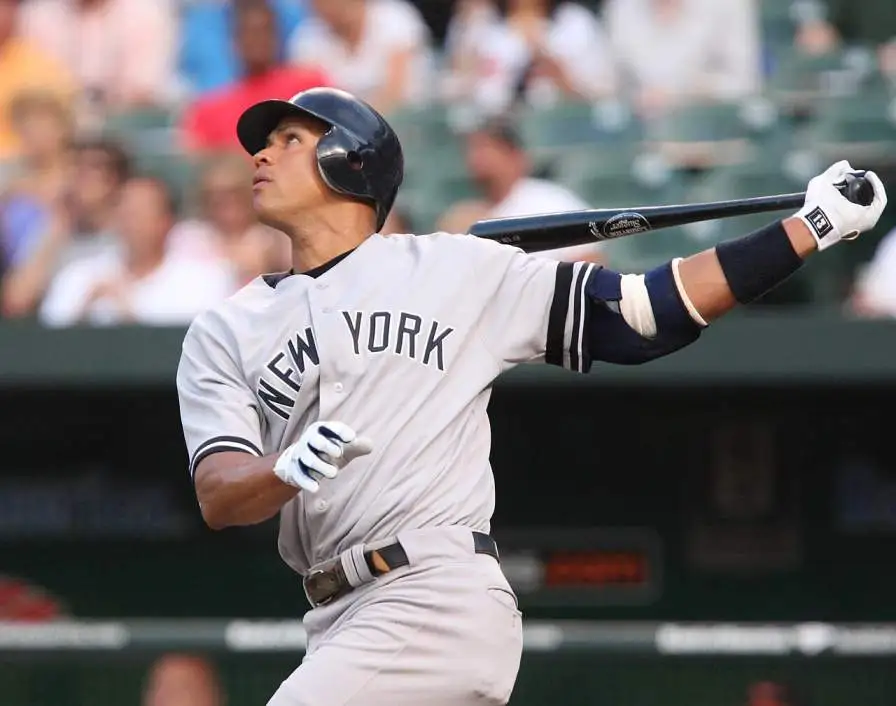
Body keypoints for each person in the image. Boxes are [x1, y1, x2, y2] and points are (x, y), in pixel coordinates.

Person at [174, 86, 886, 706]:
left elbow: (646, 313)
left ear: (347, 161)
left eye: (289, 140)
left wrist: (808, 228)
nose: (261, 156)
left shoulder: (454, 269)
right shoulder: (225, 329)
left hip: (432, 595)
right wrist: (282, 468)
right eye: (263, 144)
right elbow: (217, 491)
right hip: (334, 617)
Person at [39, 176, 236, 327]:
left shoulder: (205, 280)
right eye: (124, 211)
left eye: (139, 213)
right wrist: (83, 312)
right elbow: (48, 341)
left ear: (165, 221)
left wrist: (130, 315)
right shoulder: (79, 275)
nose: (129, 221)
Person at [438, 115, 605, 263]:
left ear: (515, 155)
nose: (476, 158)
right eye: (472, 149)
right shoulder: (461, 216)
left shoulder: (552, 202)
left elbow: (591, 263)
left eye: (486, 148)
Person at [180, 0, 329, 152]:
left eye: (265, 30)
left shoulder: (309, 89)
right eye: (249, 32)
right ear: (234, 40)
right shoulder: (210, 109)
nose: (258, 40)